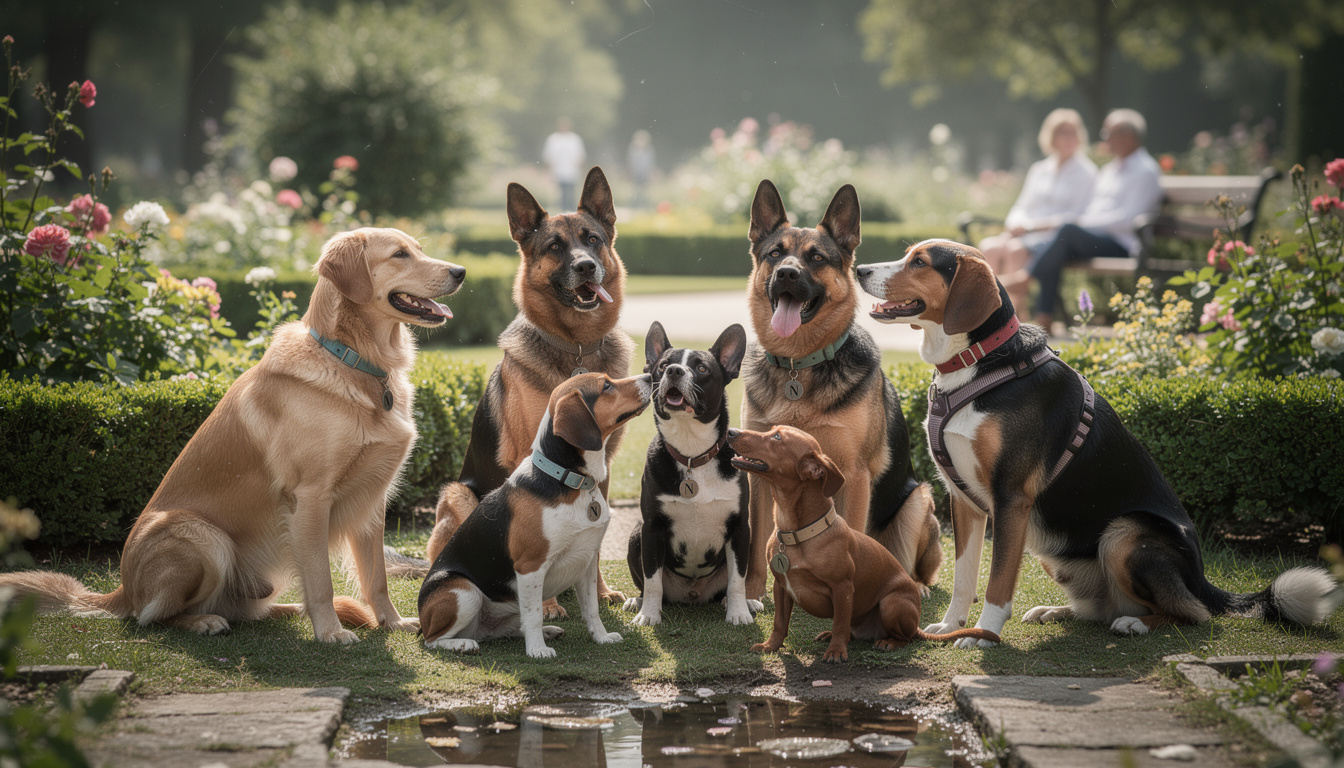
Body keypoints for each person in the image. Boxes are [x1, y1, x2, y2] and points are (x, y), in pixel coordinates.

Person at [1004, 108, 1163, 330]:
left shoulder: (1145, 171)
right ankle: (1043, 319)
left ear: (1128, 137)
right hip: (1097, 238)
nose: (1105, 139)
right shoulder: (1110, 170)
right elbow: (1094, 209)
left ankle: (1025, 280)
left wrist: (1085, 223)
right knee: (1055, 244)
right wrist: (1085, 222)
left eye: (1110, 134)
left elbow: (1130, 219)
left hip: (1123, 243)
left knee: (1066, 231)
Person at [979, 109, 1096, 317]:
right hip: (1026, 232)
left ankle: (1011, 318)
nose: (1069, 138)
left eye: (1072, 133)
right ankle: (987, 314)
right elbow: (1022, 205)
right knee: (989, 247)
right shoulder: (1040, 169)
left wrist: (1031, 227)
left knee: (1015, 251)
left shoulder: (1086, 172)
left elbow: (1077, 216)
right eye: (1063, 133)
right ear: (1052, 137)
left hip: (1053, 238)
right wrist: (1015, 226)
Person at [542, 117, 586, 212]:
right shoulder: (553, 139)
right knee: (562, 193)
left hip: (572, 171)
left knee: (571, 192)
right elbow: (549, 157)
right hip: (559, 171)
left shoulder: (575, 139)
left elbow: (580, 156)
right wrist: (549, 172)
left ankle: (572, 210)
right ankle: (563, 210)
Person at [627, 129, 656, 209]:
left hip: (644, 173)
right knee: (636, 189)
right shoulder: (633, 149)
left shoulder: (649, 150)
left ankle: (644, 204)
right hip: (636, 173)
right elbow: (631, 162)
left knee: (644, 189)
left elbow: (650, 163)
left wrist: (650, 173)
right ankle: (635, 204)